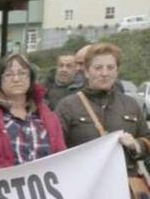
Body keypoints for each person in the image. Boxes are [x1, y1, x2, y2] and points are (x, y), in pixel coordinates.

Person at [0, 53, 66, 173]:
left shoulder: (48, 116)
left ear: (30, 78)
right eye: (9, 74)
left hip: (41, 189)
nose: (16, 79)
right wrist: (10, 182)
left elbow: (61, 159)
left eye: (22, 73)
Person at [56, 43, 150, 177]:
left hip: (125, 187)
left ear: (117, 71)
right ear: (87, 72)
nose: (104, 73)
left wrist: (135, 144)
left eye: (110, 67)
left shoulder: (131, 104)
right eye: (98, 68)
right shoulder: (68, 106)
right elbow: (56, 150)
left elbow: (147, 141)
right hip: (85, 187)